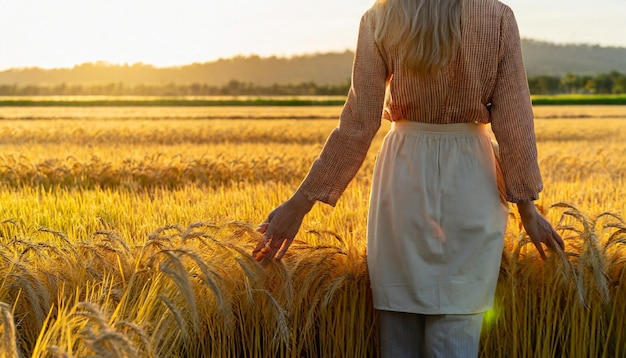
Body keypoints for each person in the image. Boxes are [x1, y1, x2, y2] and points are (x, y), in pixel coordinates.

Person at [253, 0, 565, 356]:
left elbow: (358, 124)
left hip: (403, 172)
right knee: (458, 323)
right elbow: (514, 121)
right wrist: (527, 211)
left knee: (399, 329)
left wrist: (299, 204)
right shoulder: (496, 16)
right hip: (471, 176)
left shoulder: (380, 16)